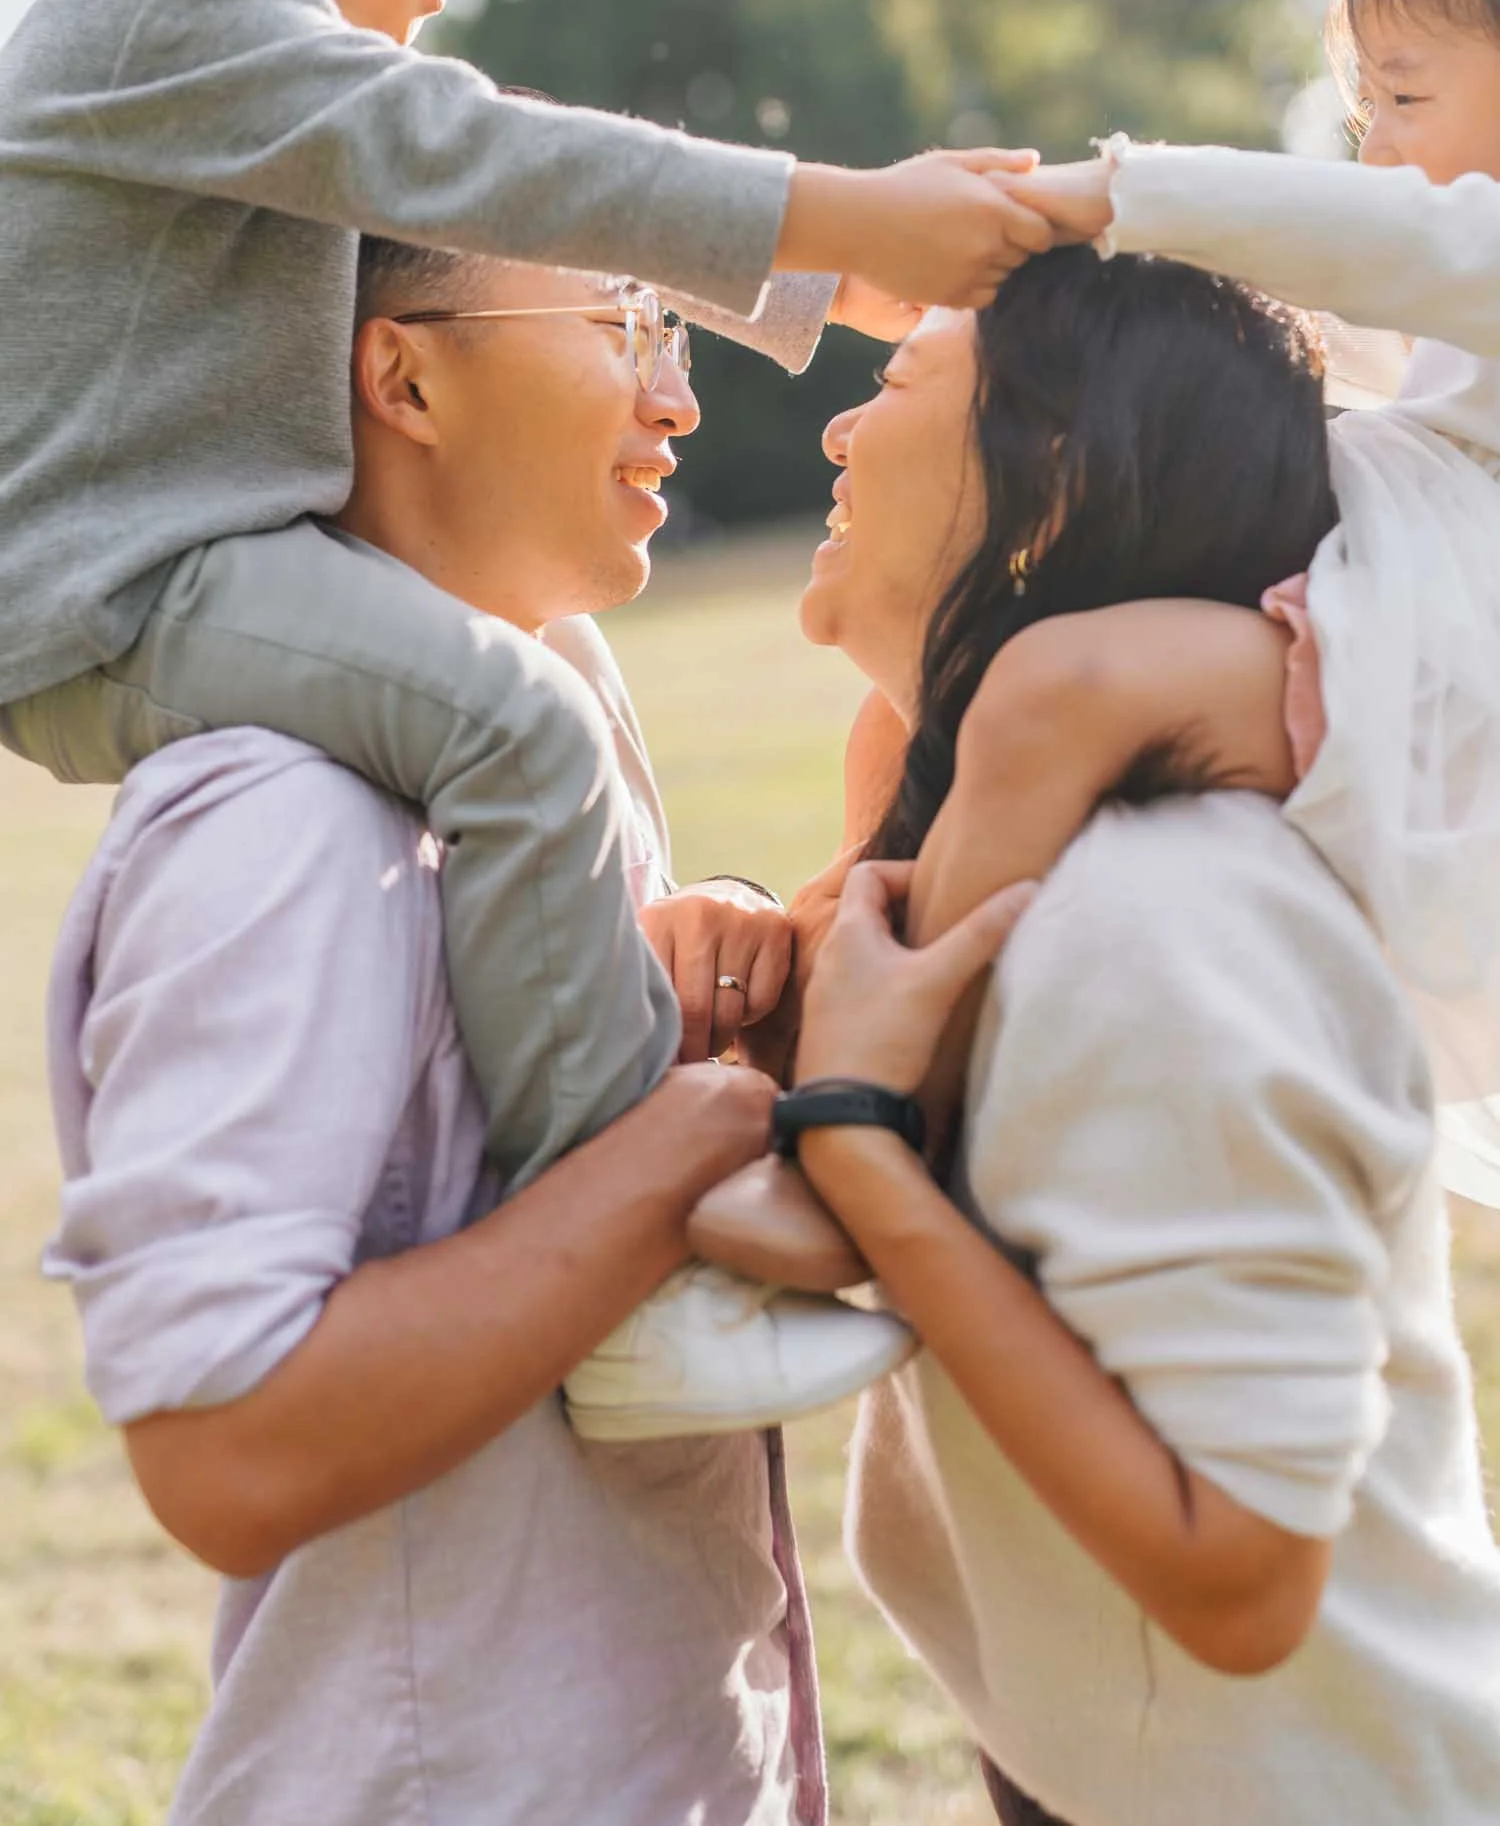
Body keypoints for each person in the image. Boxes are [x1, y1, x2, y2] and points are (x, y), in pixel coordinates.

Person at [0, 0, 1051, 1277]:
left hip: (217, 558)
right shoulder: (155, 12)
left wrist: (813, 288)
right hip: (121, 593)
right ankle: (632, 1217)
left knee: (553, 666)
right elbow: (485, 160)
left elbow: (502, 179)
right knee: (519, 731)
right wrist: (841, 216)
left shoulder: (241, 47)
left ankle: (642, 1056)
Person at [44, 232, 1020, 1825]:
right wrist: (679, 1147)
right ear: (404, 376)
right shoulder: (280, 817)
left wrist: (709, 951)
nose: (675, 394)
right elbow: (224, 1453)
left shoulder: (547, 691)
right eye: (624, 321)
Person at [773, 249, 1500, 1825]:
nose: (835, 434)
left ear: (1053, 479)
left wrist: (854, 1152)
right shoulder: (989, 842)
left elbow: (1240, 1578)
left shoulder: (1166, 933)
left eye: (891, 390)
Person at [859, 0, 1500, 1212]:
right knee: (929, 690)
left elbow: (1390, 245)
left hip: (1455, 681)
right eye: (1362, 114)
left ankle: (874, 1113)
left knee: (1060, 687)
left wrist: (1107, 199)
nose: (1376, 148)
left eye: (1405, 97)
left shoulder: (1472, 249)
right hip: (1403, 614)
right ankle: (846, 979)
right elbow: (1333, 313)